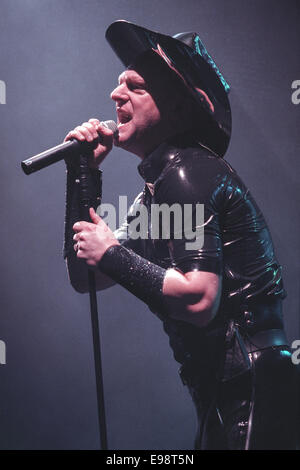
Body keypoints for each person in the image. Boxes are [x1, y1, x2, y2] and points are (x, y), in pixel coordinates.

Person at [63, 21, 299, 449]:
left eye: (134, 86)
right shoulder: (156, 192)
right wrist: (83, 176)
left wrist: (113, 252)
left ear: (176, 106)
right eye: (119, 85)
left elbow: (199, 299)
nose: (115, 96)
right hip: (225, 390)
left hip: (251, 386)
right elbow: (87, 277)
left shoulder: (188, 173)